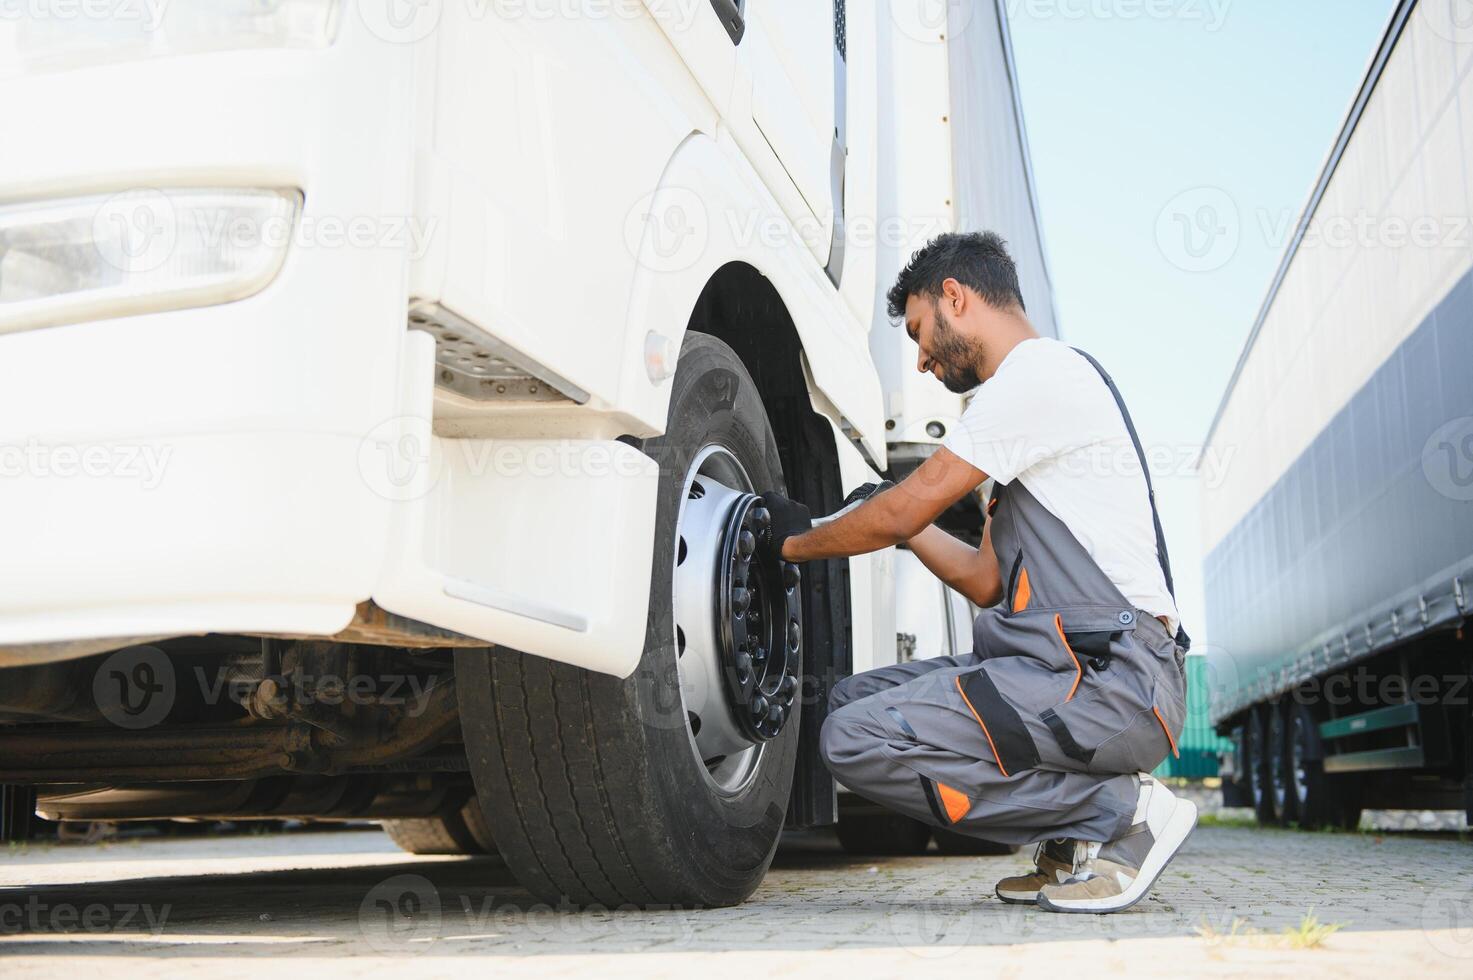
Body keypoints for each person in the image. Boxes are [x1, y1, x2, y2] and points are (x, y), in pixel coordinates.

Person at [759, 231, 1196, 914]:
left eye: (919, 332)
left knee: (852, 739)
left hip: (1113, 680)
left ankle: (1119, 812)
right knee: (845, 704)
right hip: (1064, 672)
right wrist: (898, 522)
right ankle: (1069, 839)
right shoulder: (1025, 410)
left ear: (954, 298)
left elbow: (906, 509)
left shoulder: (1037, 376)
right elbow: (985, 580)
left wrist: (788, 546)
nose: (924, 359)